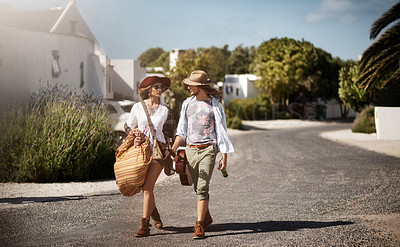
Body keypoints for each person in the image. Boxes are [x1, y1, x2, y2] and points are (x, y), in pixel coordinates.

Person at [171, 70, 234, 239]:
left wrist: (224, 156)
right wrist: (173, 148)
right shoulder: (186, 104)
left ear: (200, 86)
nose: (188, 87)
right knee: (196, 187)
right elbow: (181, 131)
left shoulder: (215, 105)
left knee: (202, 186)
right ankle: (206, 216)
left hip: (208, 149)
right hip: (190, 149)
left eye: (191, 84)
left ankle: (199, 225)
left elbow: (222, 132)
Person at [124, 76, 175, 238]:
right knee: (142, 187)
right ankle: (155, 214)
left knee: (147, 187)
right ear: (149, 90)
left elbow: (170, 133)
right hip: (140, 151)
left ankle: (144, 226)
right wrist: (135, 135)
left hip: (157, 152)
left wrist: (172, 152)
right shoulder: (138, 108)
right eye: (157, 87)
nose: (160, 90)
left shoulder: (166, 110)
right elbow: (129, 126)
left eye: (161, 87)